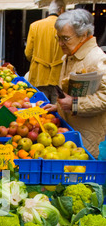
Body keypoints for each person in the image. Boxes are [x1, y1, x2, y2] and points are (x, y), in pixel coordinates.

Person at [44, 9, 106, 159]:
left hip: (87, 137)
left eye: (65, 38)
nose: (60, 44)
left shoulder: (97, 59)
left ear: (83, 35)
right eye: (58, 38)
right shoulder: (70, 56)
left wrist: (74, 104)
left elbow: (104, 97)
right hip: (70, 131)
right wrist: (59, 106)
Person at [25, 0, 66, 104]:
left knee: (39, 109)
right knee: (57, 113)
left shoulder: (35, 26)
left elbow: (28, 53)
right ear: (61, 10)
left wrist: (40, 60)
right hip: (58, 76)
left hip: (39, 75)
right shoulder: (65, 27)